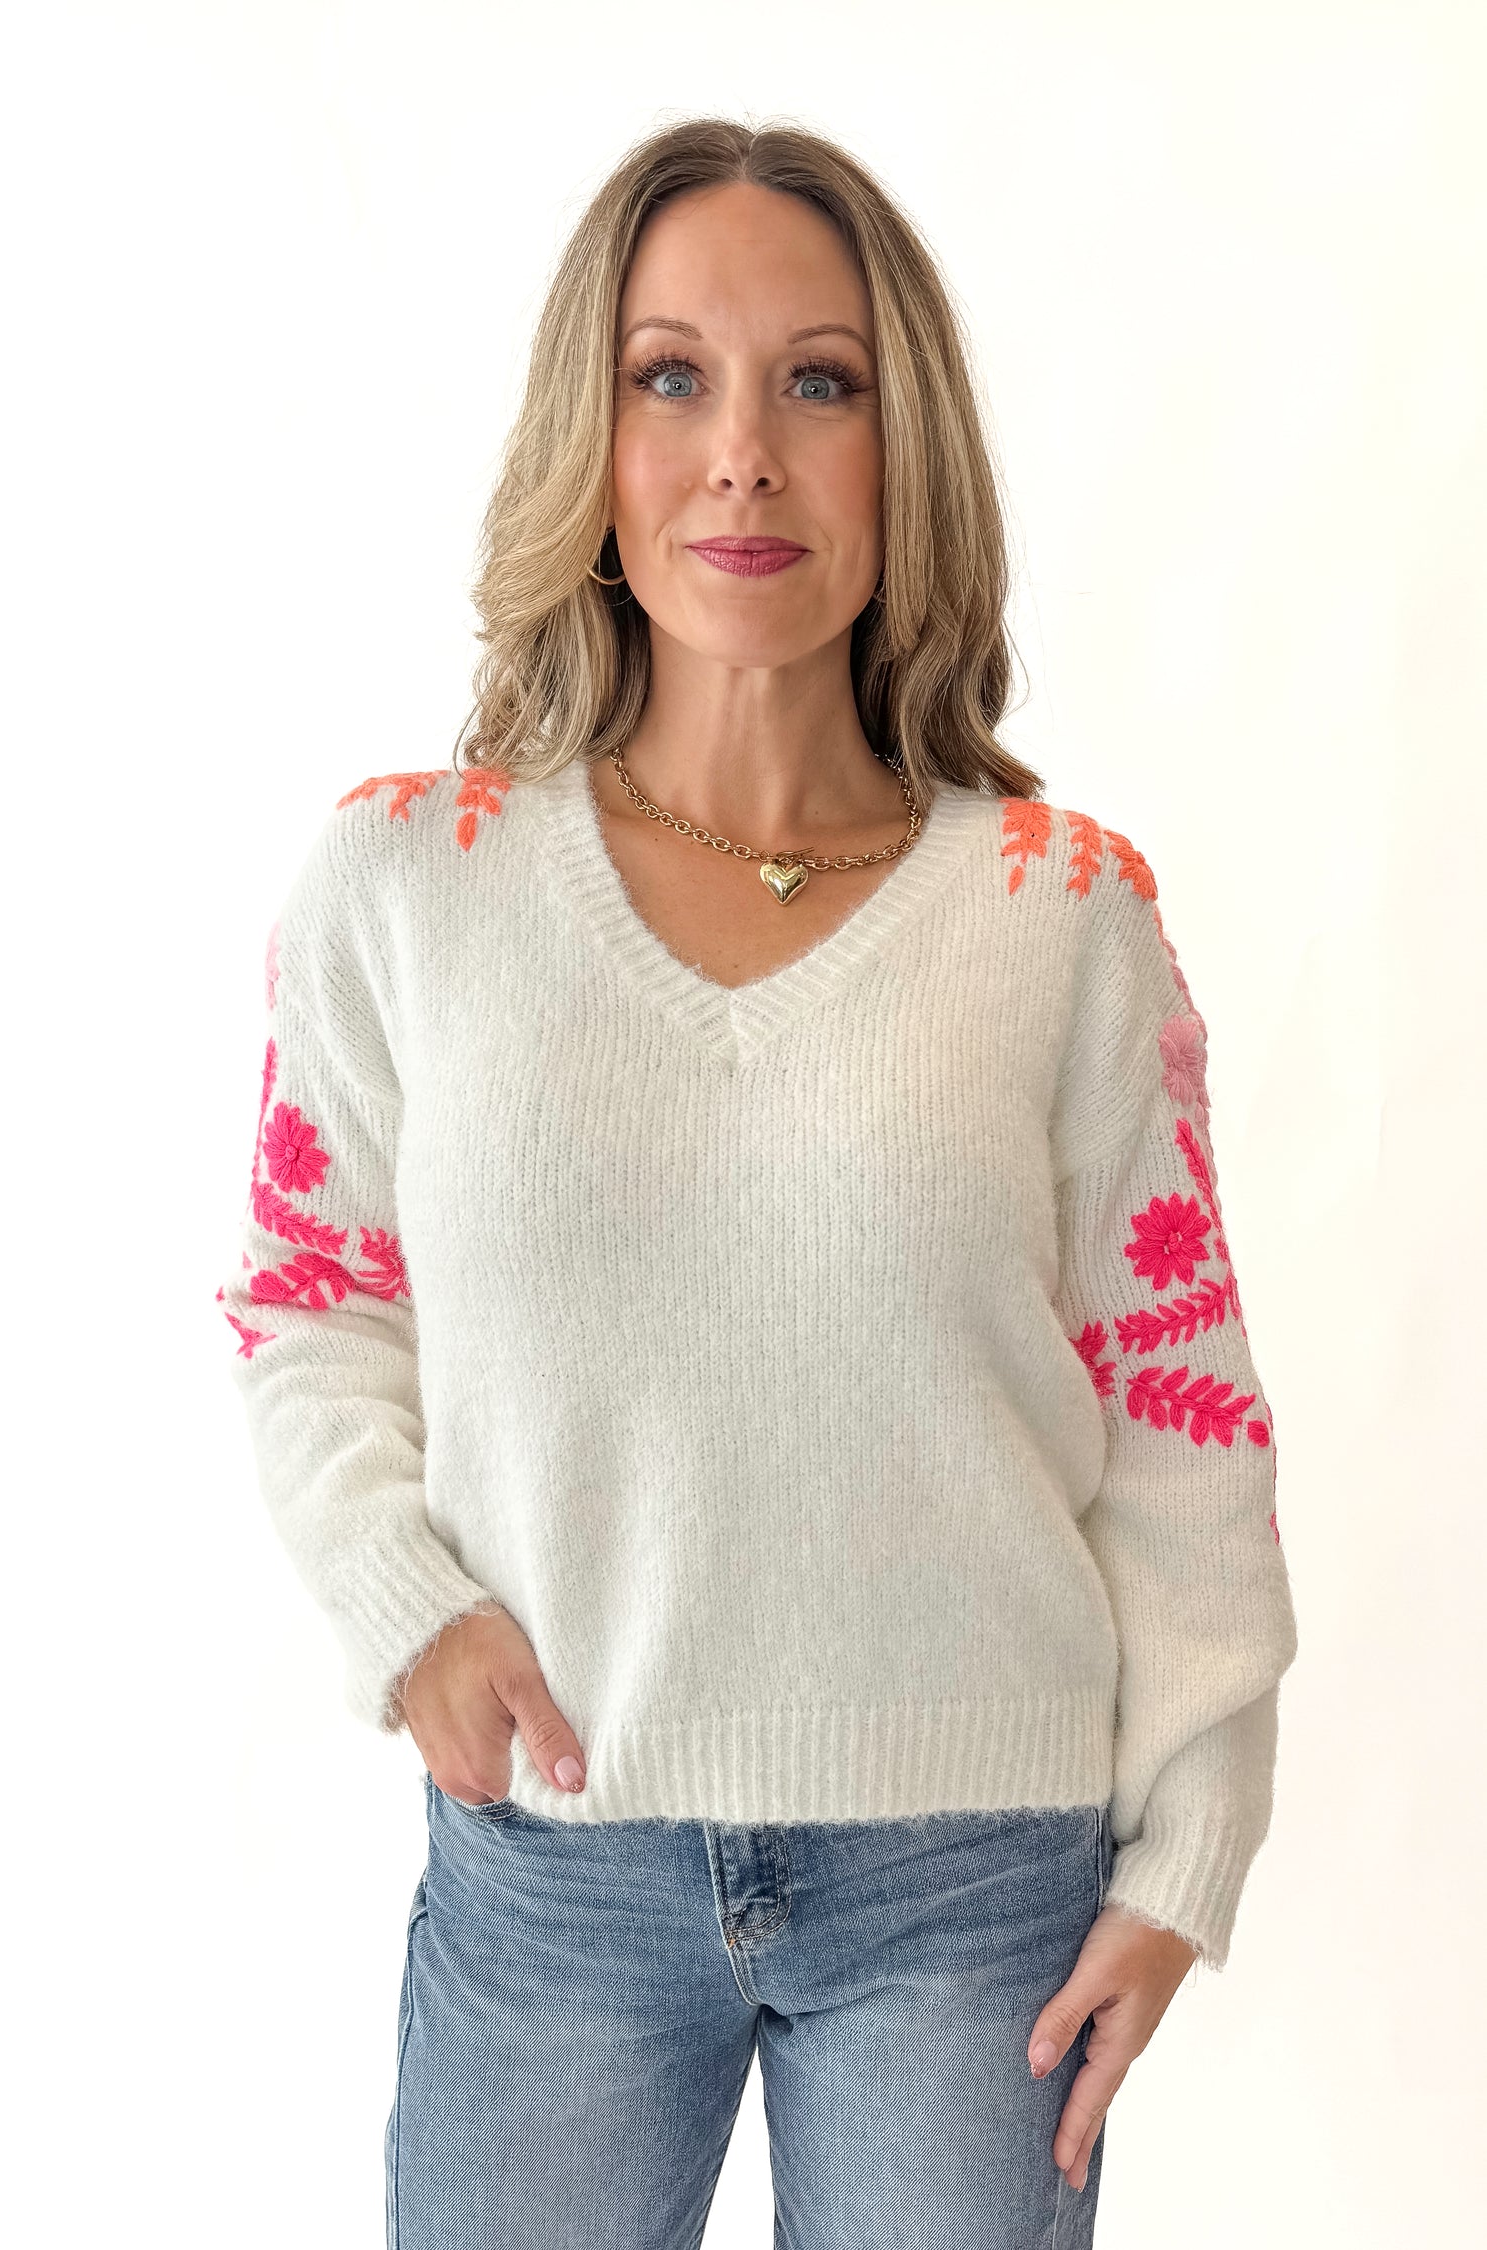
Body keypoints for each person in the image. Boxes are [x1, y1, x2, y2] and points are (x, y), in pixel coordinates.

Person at [215, 116, 1298, 2249]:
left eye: (821, 381)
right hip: (554, 1861)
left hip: (975, 1891)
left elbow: (1180, 1401)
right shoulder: (408, 885)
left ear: (908, 451)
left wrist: (1192, 1845)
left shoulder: (1061, 915)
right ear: (593, 439)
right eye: (670, 377)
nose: (744, 457)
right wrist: (403, 1606)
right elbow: (306, 1300)